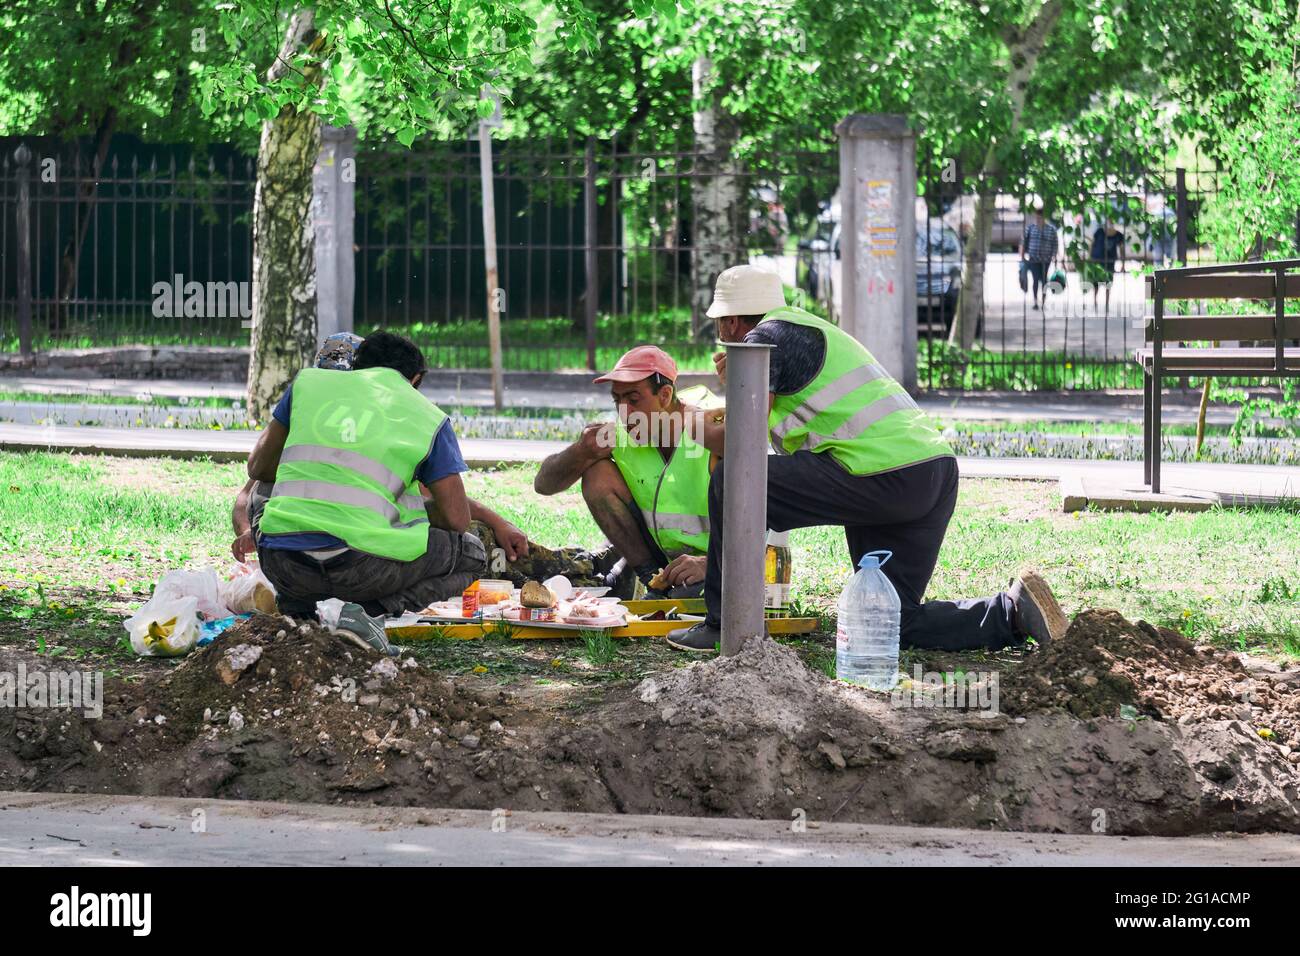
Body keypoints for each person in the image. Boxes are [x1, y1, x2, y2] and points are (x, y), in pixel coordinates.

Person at [664, 264, 1069, 653]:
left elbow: (739, 443)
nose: (721, 335)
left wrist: (678, 419)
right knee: (889, 619)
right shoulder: (805, 328)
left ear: (730, 322)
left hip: (879, 476)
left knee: (735, 478)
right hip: (932, 471)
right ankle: (1013, 612)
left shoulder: (763, 340)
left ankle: (721, 624)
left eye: (721, 325)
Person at [246, 330, 487, 619]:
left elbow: (258, 468)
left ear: (356, 364)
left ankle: (296, 605)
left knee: (261, 489)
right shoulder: (429, 417)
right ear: (415, 381)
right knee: (473, 556)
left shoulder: (308, 384)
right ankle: (369, 612)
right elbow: (457, 519)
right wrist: (398, 507)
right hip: (363, 570)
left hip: (284, 562)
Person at [533, 345, 722, 599]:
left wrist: (710, 564)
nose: (624, 412)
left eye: (633, 400)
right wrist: (581, 451)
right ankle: (651, 580)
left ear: (665, 395)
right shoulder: (620, 436)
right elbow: (543, 484)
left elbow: (758, 520)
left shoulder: (713, 431)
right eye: (617, 400)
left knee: (692, 601)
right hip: (665, 561)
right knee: (596, 471)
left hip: (721, 561)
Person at [1021, 205, 1059, 311]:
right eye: (1037, 217)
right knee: (1035, 279)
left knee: (1044, 280)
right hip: (1033, 258)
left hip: (1046, 260)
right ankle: (1035, 301)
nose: (1038, 219)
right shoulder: (1030, 228)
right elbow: (1024, 242)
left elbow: (1055, 244)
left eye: (1040, 217)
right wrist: (1022, 256)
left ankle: (1043, 301)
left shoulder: (1051, 229)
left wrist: (1054, 256)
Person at [1085, 222, 1124, 314]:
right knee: (1096, 284)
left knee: (1108, 284)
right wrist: (1089, 258)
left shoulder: (1118, 235)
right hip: (1097, 261)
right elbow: (1092, 244)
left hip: (1110, 262)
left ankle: (1106, 305)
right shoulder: (1099, 232)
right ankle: (1095, 303)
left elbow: (1121, 248)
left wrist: (1123, 263)